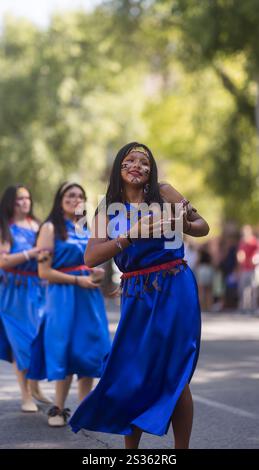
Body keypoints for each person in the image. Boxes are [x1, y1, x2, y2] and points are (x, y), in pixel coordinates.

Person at [69, 142, 209, 449]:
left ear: (151, 170)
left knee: (176, 371)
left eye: (144, 162)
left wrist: (182, 221)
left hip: (175, 287)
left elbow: (203, 226)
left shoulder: (166, 193)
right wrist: (130, 237)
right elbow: (91, 257)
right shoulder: (107, 209)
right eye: (129, 161)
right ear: (119, 168)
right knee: (133, 371)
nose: (137, 166)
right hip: (137, 294)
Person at [28, 182, 111, 426]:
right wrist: (78, 279)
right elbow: (43, 272)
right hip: (62, 296)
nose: (75, 199)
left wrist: (97, 274)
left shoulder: (87, 228)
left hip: (89, 298)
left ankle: (84, 409)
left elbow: (96, 263)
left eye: (80, 195)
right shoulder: (49, 228)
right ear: (60, 199)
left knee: (89, 350)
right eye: (70, 195)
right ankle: (58, 407)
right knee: (63, 347)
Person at [0, 184, 52, 412]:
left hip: (40, 289)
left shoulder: (39, 226)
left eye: (27, 198)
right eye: (20, 199)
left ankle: (35, 385)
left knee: (40, 338)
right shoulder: (6, 229)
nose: (25, 202)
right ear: (11, 202)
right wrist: (30, 253)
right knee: (21, 342)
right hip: (14, 291)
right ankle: (25, 395)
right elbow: (3, 262)